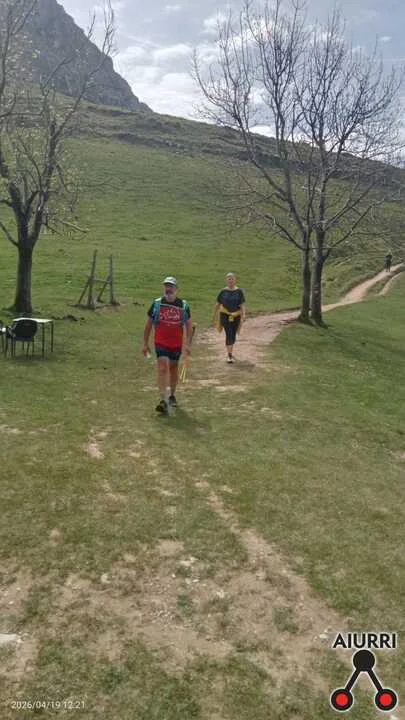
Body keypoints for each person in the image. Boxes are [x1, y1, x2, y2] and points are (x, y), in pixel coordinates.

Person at [143, 276, 193, 415]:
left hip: (176, 344)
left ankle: (172, 395)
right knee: (162, 367)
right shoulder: (157, 304)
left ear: (176, 289)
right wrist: (145, 344)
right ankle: (163, 400)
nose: (168, 289)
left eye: (171, 286)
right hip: (161, 342)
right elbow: (148, 325)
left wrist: (188, 344)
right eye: (166, 286)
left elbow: (189, 326)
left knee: (173, 368)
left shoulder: (183, 305)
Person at [212, 272, 246, 363]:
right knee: (229, 333)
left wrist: (244, 314)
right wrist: (214, 315)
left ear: (235, 280)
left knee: (233, 334)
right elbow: (218, 304)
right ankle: (229, 355)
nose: (230, 281)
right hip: (225, 315)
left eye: (232, 279)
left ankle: (230, 352)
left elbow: (242, 304)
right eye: (229, 279)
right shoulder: (223, 291)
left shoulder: (239, 292)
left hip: (236, 315)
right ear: (226, 280)